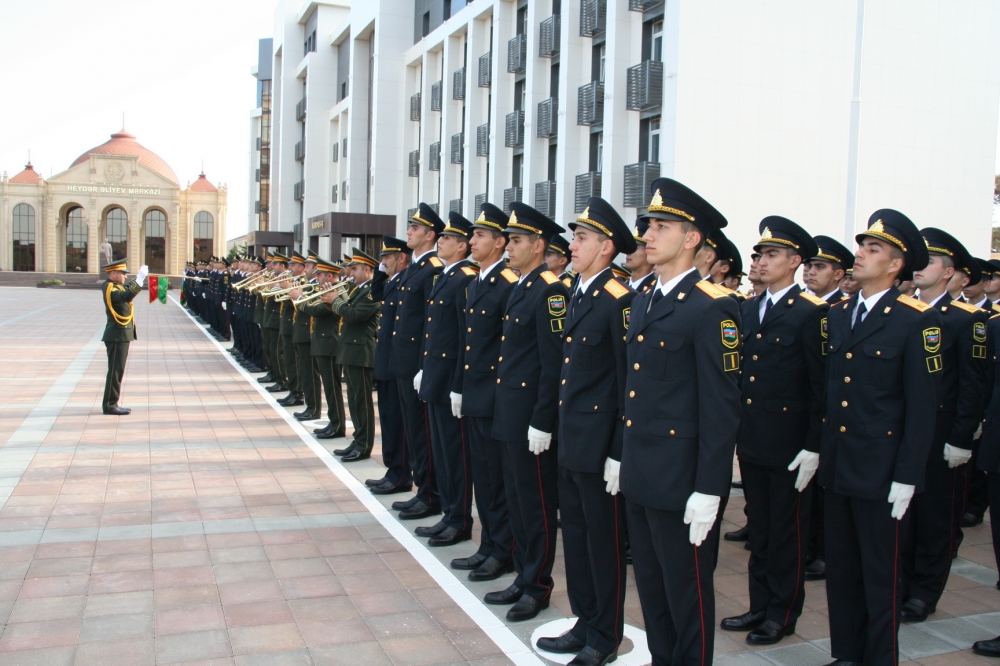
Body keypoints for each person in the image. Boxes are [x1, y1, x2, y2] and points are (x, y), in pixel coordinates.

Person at [620, 178, 741, 666]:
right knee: (652, 593)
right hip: (643, 474)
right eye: (649, 225)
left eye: (661, 226)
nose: (648, 235)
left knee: (687, 596)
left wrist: (710, 489)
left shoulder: (714, 307)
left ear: (691, 239)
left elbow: (722, 406)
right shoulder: (645, 298)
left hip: (682, 481)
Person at [819, 210, 942, 665]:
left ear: (895, 265)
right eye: (862, 247)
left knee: (879, 574)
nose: (860, 255)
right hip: (840, 464)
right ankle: (846, 653)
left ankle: (877, 657)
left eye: (872, 250)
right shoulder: (840, 312)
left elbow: (922, 407)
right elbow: (834, 392)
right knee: (843, 571)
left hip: (882, 469)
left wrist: (908, 475)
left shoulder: (916, 320)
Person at [536, 197, 635, 666]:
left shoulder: (619, 300)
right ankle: (584, 620)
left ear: (606, 247)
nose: (572, 245)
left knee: (603, 543)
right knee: (575, 538)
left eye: (581, 238)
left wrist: (618, 451)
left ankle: (604, 636)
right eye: (574, 237)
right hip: (572, 441)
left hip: (598, 448)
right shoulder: (579, 291)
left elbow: (625, 382)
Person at [720, 217, 827, 646]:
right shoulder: (746, 308)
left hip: (790, 444)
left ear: (795, 261)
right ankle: (758, 604)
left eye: (772, 255)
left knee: (787, 534)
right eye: (760, 255)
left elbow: (822, 385)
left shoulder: (811, 313)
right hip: (753, 440)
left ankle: (781, 613)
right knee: (759, 530)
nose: (762, 262)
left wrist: (814, 446)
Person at [485, 202, 569, 623]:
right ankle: (522, 574)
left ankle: (537, 586)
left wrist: (542, 419)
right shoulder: (521, 285)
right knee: (517, 502)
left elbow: (553, 363)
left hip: (529, 419)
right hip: (509, 413)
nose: (509, 247)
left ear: (538, 245)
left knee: (536, 506)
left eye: (516, 240)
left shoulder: (551, 290)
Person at [899, 228, 988, 623]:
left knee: (936, 518)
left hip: (941, 437)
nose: (921, 267)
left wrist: (961, 437)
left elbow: (974, 385)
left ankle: (924, 591)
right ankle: (901, 584)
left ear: (951, 273)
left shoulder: (967, 321)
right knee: (903, 517)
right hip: (905, 435)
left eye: (931, 262)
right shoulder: (903, 311)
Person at [449, 204, 517, 581]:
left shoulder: (507, 284)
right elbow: (467, 343)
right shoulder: (477, 282)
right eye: (472, 235)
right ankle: (488, 544)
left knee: (497, 480)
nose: (471, 241)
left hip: (495, 398)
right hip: (475, 394)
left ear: (500, 242)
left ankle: (501, 550)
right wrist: (460, 386)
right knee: (483, 477)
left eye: (479, 236)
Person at [412, 213, 480, 546]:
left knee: (455, 453)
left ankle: (459, 519)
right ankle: (449, 514)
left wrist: (457, 383)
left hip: (450, 377)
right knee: (441, 449)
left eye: (447, 239)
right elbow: (434, 331)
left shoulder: (465, 278)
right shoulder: (445, 276)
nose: (440, 241)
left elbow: (463, 338)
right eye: (441, 238)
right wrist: (425, 366)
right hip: (435, 375)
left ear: (463, 246)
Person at [391, 204, 445, 520]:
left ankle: (430, 494)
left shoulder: (432, 269)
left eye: (414, 228)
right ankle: (421, 489)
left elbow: (430, 323)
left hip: (417, 365)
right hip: (404, 363)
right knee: (413, 432)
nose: (409, 232)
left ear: (430, 235)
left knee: (423, 433)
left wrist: (424, 365)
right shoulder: (414, 268)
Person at [367, 237, 414, 495]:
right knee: (388, 419)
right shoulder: (393, 281)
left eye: (388, 257)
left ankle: (401, 474)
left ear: (402, 258)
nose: (383, 262)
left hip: (397, 362)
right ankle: (392, 469)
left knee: (398, 422)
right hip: (386, 360)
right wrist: (381, 270)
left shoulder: (404, 283)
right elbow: (376, 292)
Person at [325, 250, 380, 461]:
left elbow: (355, 315)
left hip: (361, 351)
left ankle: (364, 445)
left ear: (367, 270)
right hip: (351, 349)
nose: (351, 272)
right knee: (354, 401)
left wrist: (335, 302)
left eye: (355, 268)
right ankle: (357, 440)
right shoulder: (359, 289)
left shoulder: (371, 291)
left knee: (362, 402)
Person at [294, 258, 347, 439]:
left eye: (319, 275)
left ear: (329, 276)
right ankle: (333, 422)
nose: (316, 278)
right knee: (329, 386)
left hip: (330, 343)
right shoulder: (326, 289)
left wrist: (299, 299)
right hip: (322, 343)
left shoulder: (336, 291)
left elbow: (318, 311)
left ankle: (337, 425)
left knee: (332, 388)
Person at [101, 259, 146, 416]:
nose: (125, 276)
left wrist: (138, 280)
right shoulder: (109, 287)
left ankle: (112, 402)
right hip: (116, 335)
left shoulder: (115, 286)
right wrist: (139, 279)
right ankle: (110, 404)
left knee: (117, 370)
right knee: (115, 371)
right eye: (123, 273)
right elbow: (125, 295)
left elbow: (126, 288)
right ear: (113, 274)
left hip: (121, 334)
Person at [625, 217, 657, 294]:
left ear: (649, 251)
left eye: (635, 248)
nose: (628, 252)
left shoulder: (655, 289)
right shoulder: (621, 286)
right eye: (630, 247)